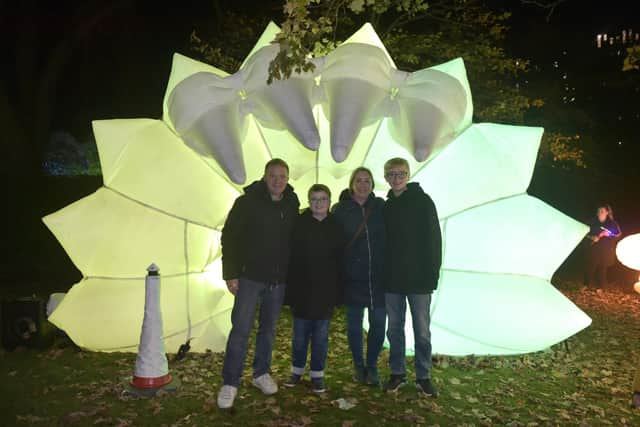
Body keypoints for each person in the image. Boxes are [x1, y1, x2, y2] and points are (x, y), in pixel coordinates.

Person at [217, 159, 300, 409]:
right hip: (249, 277)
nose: (278, 180)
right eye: (273, 176)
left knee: (268, 330)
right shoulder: (247, 202)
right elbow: (229, 237)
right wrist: (231, 273)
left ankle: (260, 373)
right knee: (241, 329)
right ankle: (230, 382)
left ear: (287, 179)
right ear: (265, 177)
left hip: (277, 280)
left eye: (282, 176)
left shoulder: (291, 203)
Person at [382, 157, 441, 397]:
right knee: (394, 330)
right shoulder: (385, 207)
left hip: (419, 280)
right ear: (386, 177)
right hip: (392, 280)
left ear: (408, 175)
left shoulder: (423, 202)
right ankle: (397, 374)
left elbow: (434, 240)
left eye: (401, 174)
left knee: (422, 331)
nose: (396, 178)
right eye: (392, 174)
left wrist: (432, 275)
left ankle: (423, 376)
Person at [283, 184, 344, 393]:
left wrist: (337, 294)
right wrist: (290, 292)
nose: (319, 203)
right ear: (309, 202)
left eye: (323, 199)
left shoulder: (336, 226)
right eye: (315, 199)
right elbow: (291, 258)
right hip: (302, 291)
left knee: (320, 338)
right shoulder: (299, 224)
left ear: (329, 202)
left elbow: (339, 262)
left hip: (325, 293)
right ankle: (297, 371)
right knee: (299, 337)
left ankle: (317, 374)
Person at [332, 167, 386, 386]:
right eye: (359, 181)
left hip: (378, 276)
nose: (363, 185)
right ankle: (358, 365)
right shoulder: (340, 209)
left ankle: (371, 366)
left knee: (378, 323)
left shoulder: (381, 207)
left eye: (367, 181)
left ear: (372, 184)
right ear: (351, 184)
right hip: (352, 277)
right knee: (354, 324)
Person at [585, 204, 621, 288]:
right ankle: (587, 284)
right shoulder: (592, 221)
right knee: (591, 266)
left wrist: (609, 235)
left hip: (606, 249)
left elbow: (618, 235)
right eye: (598, 211)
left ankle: (601, 286)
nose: (599, 213)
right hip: (594, 248)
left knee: (602, 268)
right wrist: (592, 237)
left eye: (602, 211)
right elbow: (584, 232)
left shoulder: (612, 223)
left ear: (607, 212)